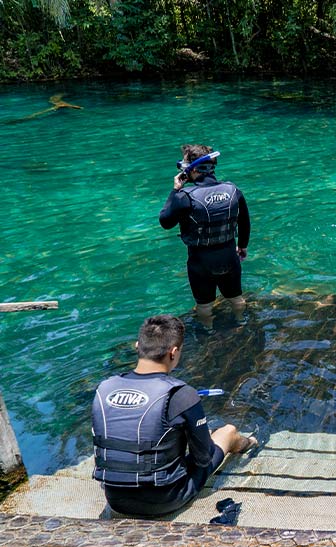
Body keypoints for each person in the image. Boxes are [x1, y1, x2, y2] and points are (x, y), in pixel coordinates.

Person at [91, 315, 256, 517]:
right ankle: (250, 442)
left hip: (115, 499)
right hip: (164, 500)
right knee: (227, 432)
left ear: (137, 346)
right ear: (174, 352)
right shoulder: (182, 394)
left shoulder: (105, 388)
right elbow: (203, 458)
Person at [159, 144, 250, 324]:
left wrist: (175, 190)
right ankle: (241, 323)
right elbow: (244, 222)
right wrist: (243, 246)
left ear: (191, 169)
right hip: (229, 257)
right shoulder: (233, 190)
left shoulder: (184, 196)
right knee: (236, 298)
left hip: (201, 262)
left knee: (205, 305)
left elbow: (165, 222)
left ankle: (208, 335)